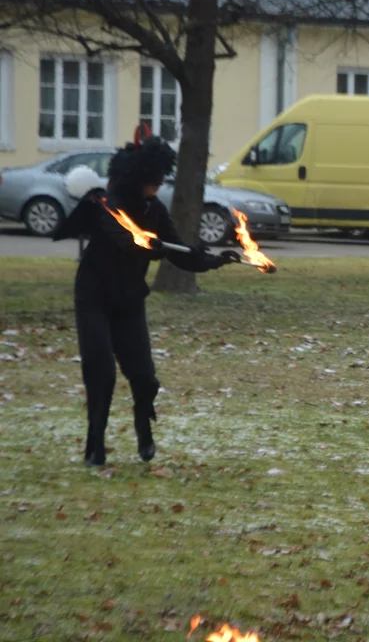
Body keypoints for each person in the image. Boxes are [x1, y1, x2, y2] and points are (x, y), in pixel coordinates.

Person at [53, 131, 239, 467]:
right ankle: (94, 443)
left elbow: (179, 252)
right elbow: (126, 239)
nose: (158, 185)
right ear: (137, 176)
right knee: (102, 374)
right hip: (94, 296)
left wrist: (214, 260)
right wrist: (147, 245)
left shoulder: (154, 210)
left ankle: (143, 426)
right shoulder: (108, 206)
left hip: (128, 299)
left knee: (144, 377)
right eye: (152, 180)